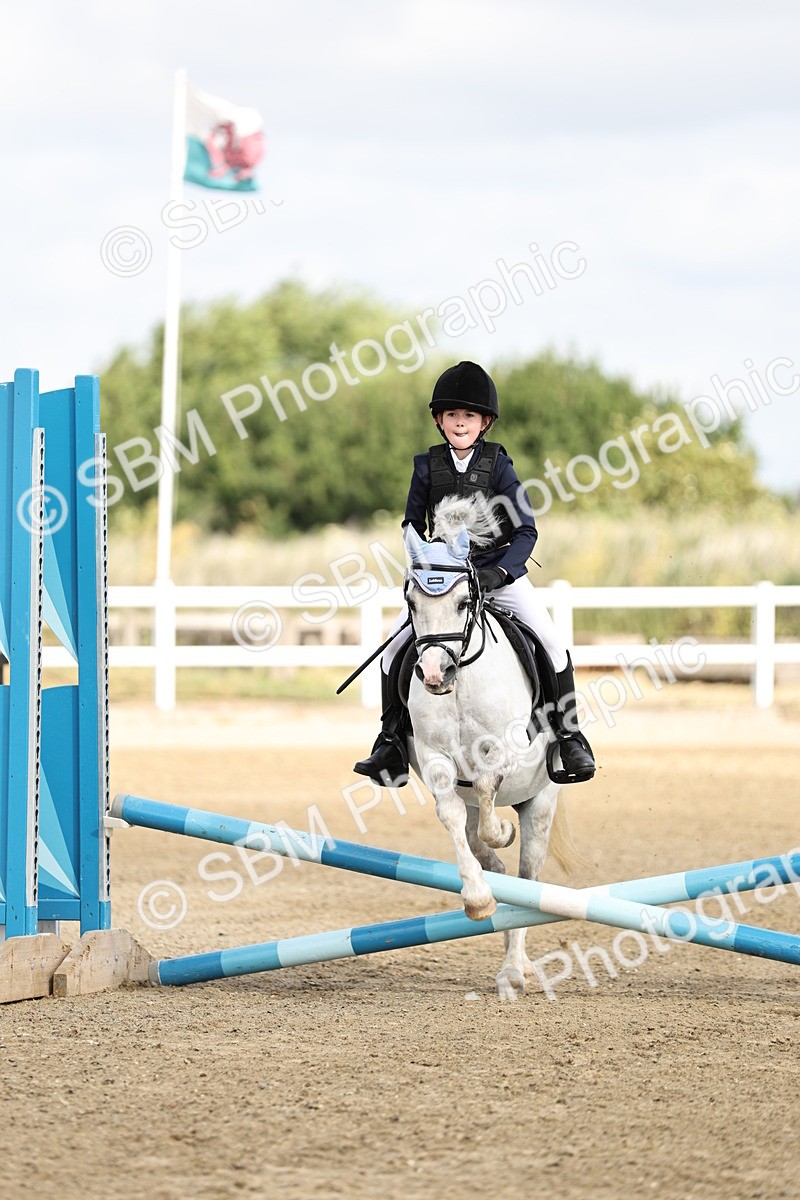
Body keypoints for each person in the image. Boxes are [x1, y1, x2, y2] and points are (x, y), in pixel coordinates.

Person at [353, 360, 595, 787]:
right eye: (452, 416)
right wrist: (426, 566)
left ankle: (568, 737)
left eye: (468, 416)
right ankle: (390, 741)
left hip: (496, 573)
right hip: (444, 580)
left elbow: (526, 530)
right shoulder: (426, 467)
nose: (460, 423)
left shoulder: (499, 466)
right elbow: (411, 524)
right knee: (392, 649)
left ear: (484, 422)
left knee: (552, 642)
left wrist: (499, 574)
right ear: (438, 421)